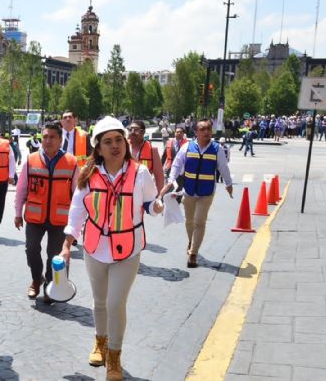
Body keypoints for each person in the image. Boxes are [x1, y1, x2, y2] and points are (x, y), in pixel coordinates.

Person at [59, 116, 164, 380]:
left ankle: (114, 358)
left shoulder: (140, 173)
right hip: (95, 247)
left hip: (128, 248)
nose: (115, 145)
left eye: (119, 140)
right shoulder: (88, 174)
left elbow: (150, 203)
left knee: (116, 303)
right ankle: (100, 342)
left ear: (125, 143)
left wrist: (158, 206)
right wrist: (67, 244)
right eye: (108, 141)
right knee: (99, 301)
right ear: (99, 147)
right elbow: (77, 212)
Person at [15, 122, 78, 302]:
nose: (48, 141)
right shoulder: (31, 159)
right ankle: (36, 279)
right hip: (35, 216)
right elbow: (21, 189)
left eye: (52, 137)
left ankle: (52, 287)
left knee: (55, 255)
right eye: (45, 137)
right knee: (31, 249)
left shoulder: (71, 162)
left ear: (60, 140)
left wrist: (76, 224)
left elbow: (78, 195)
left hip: (60, 219)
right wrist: (18, 213)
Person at [160, 118, 233, 268]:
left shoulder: (217, 148)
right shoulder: (187, 147)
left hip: (206, 192)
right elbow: (176, 164)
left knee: (200, 221)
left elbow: (223, 167)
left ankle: (193, 253)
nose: (206, 132)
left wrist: (229, 183)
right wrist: (170, 181)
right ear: (196, 132)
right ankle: (191, 241)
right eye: (203, 129)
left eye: (208, 129)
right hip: (189, 190)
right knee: (190, 221)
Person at [127, 120, 164, 192]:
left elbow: (159, 177)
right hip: (125, 192)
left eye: (136, 130)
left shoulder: (152, 150)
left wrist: (158, 197)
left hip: (145, 193)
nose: (132, 132)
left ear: (143, 132)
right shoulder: (123, 147)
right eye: (130, 129)